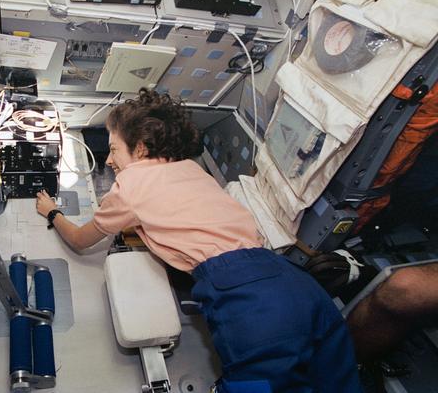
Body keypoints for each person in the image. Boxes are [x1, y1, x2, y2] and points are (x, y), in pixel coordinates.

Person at [36, 89, 363, 393]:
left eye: (114, 149)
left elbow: (80, 239)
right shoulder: (192, 170)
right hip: (292, 279)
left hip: (247, 299)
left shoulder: (130, 184)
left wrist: (52, 211)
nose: (109, 160)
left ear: (141, 148)